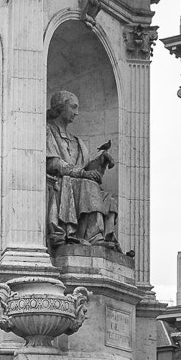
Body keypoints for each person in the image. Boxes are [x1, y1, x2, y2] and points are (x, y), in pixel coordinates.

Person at [45, 90, 118, 248]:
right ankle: (93, 236)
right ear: (60, 107)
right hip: (60, 183)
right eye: (73, 107)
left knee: (108, 198)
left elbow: (85, 167)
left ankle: (104, 236)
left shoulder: (76, 141)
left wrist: (100, 163)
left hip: (76, 184)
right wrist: (82, 173)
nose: (77, 113)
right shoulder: (47, 131)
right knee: (88, 186)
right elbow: (52, 163)